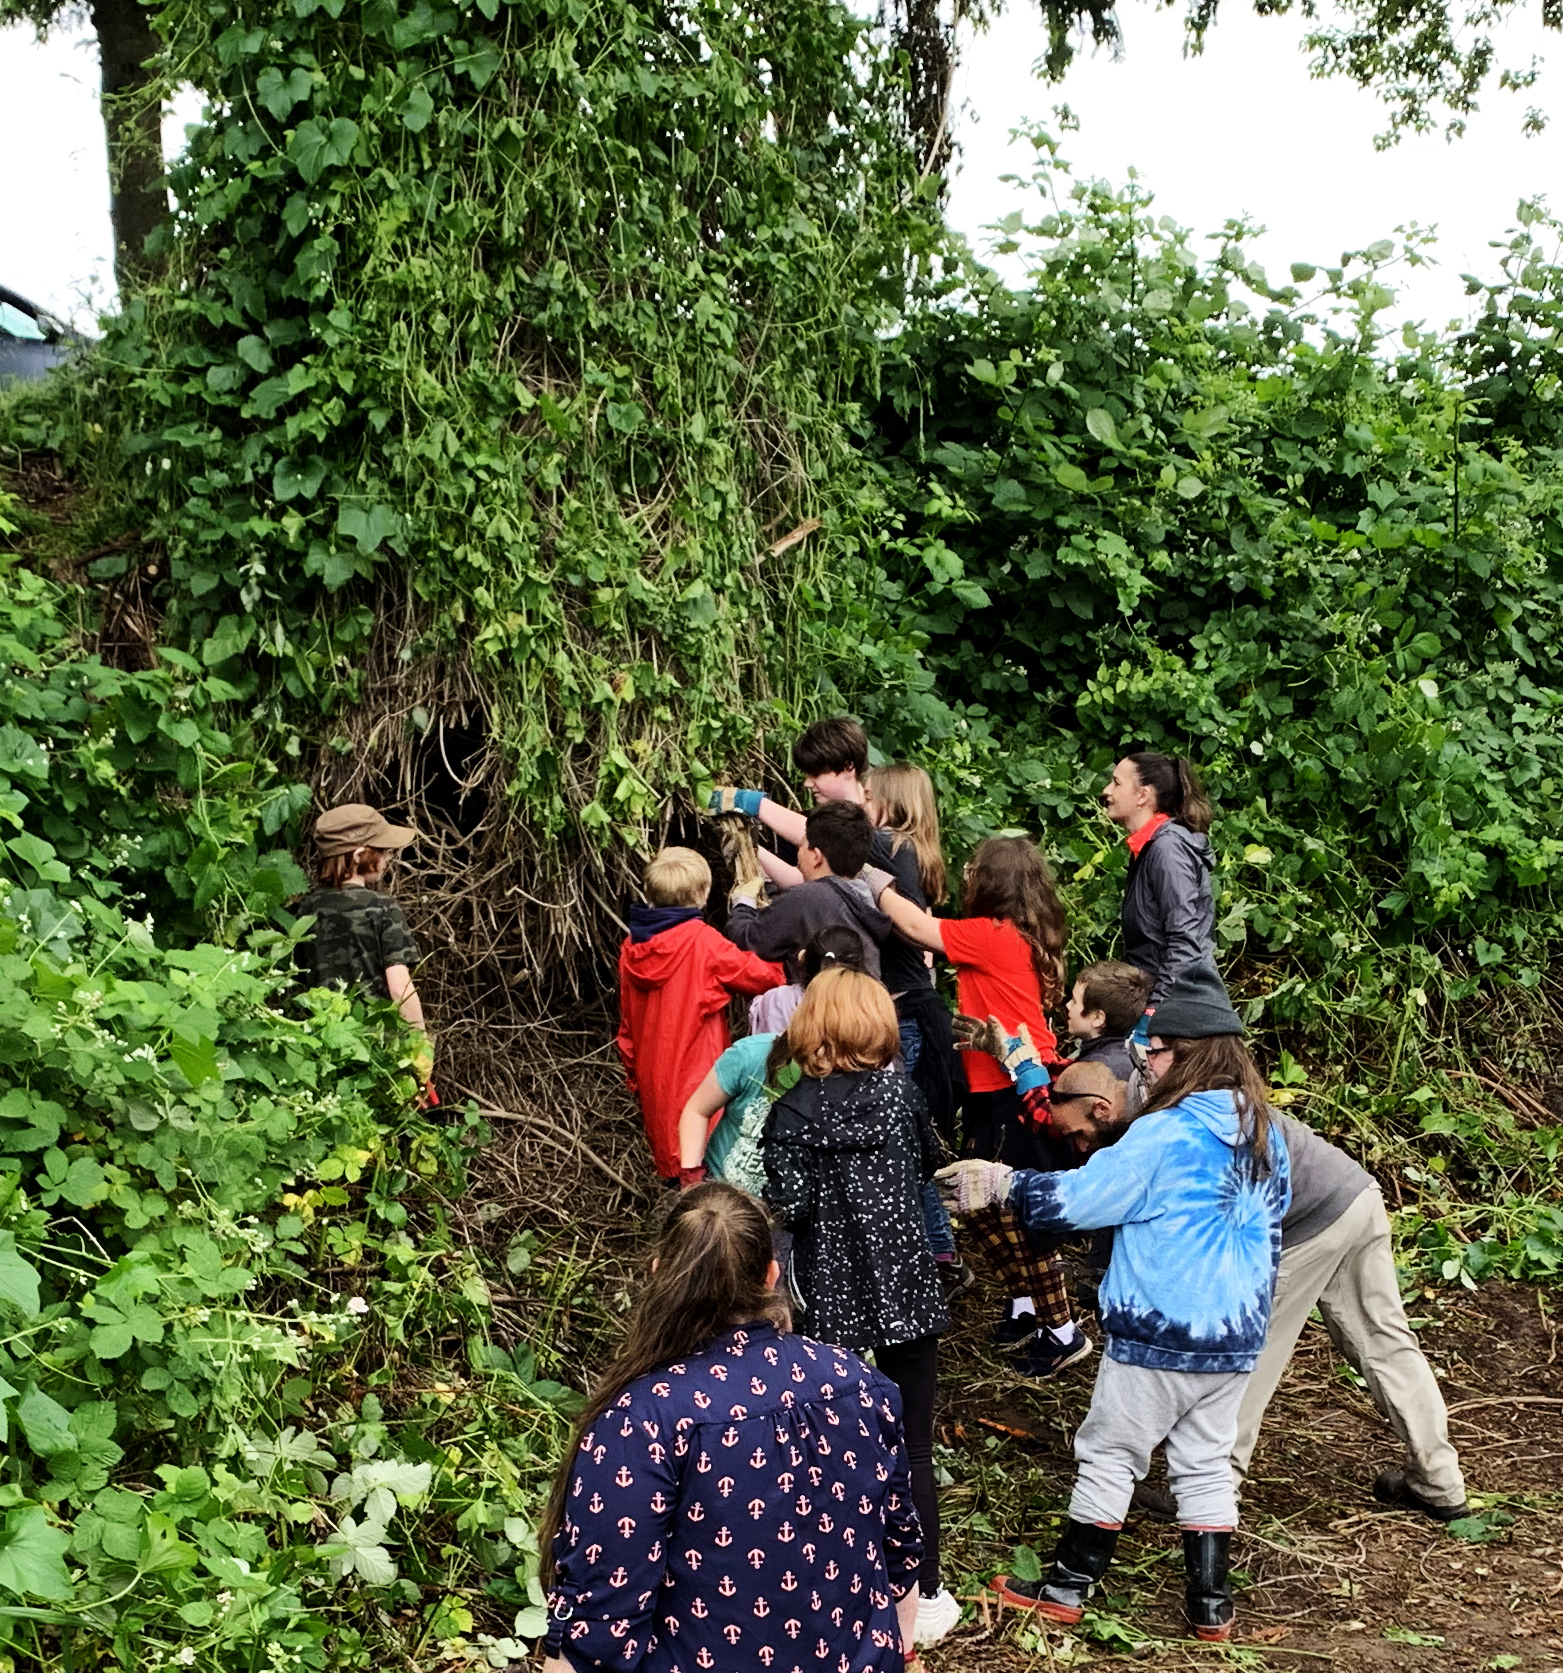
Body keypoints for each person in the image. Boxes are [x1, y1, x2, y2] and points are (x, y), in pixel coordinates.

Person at [937, 963, 1291, 1643]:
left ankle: (1067, 1585)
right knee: (1205, 1461)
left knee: (1108, 1451)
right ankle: (1210, 1605)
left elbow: (1078, 1199)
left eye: (1153, 1052)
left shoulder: (1163, 1134)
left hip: (1156, 1327)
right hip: (1236, 1335)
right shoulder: (1263, 1131)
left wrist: (1002, 1182)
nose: (1144, 1065)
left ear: (1184, 1054)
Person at [538, 1183, 924, 1673]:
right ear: (771, 1275)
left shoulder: (644, 1421)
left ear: (659, 1273)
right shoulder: (859, 1383)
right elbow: (900, 1557)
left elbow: (599, 1629)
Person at [761, 967, 961, 1645]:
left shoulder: (791, 1111)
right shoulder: (901, 1094)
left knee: (826, 1449)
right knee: (912, 1448)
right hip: (907, 1289)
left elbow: (790, 1206)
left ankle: (837, 1580)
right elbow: (925, 1163)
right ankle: (924, 1593)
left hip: (832, 1303)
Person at [868, 837, 1090, 1381]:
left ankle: (1063, 1331)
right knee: (977, 1204)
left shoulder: (995, 936)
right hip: (993, 1086)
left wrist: (870, 880)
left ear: (994, 882)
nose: (966, 875)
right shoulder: (1007, 936)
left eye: (973, 870)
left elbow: (919, 927)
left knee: (1015, 1211)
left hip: (1015, 1085)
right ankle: (1024, 1303)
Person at [616, 847, 785, 1183]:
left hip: (658, 1095)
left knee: (678, 1182)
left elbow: (627, 1034)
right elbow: (765, 977)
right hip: (702, 1093)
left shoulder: (630, 948)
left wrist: (639, 1084)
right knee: (709, 1190)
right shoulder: (701, 942)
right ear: (704, 893)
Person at [675, 926, 864, 1196]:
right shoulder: (752, 1055)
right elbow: (697, 1109)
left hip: (788, 1208)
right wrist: (692, 1179)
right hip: (724, 1196)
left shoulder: (852, 1076)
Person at [298, 801, 428, 1041]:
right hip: (376, 1044)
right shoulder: (383, 908)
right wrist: (421, 1045)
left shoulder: (307, 909)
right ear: (359, 856)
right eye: (383, 850)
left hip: (321, 1040)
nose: (388, 858)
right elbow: (400, 988)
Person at [725, 801, 891, 980]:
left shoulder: (809, 898)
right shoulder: (861, 897)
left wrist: (743, 903)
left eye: (802, 845)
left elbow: (749, 940)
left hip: (821, 1005)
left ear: (816, 856)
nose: (799, 852)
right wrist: (768, 887)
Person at [1100, 752, 1215, 1008]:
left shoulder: (1168, 850)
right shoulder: (1148, 848)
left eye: (1117, 783)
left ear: (1143, 796)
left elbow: (1186, 941)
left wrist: (1156, 1011)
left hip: (1177, 1011)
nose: (1107, 790)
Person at [1066, 961, 1152, 1085]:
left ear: (1098, 1018)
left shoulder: (1095, 1073)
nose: (1068, 1005)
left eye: (1074, 1001)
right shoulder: (1126, 1058)